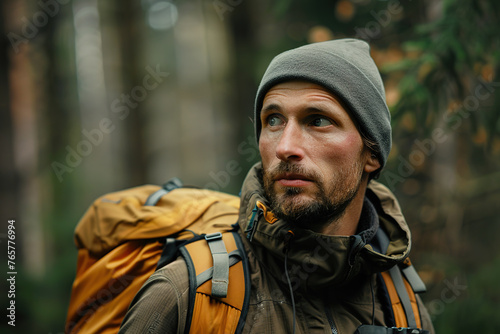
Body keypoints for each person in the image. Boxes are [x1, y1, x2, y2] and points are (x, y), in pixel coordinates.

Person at [119, 38, 435, 333]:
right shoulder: (186, 294)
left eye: (318, 120)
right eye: (273, 120)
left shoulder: (402, 303)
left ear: (372, 154)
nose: (285, 147)